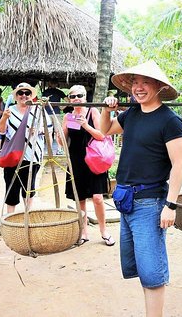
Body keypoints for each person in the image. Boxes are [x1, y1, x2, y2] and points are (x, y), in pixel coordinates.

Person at [100, 60, 182, 317]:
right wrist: (107, 110)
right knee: (139, 266)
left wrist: (170, 205)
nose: (138, 88)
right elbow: (105, 130)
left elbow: (179, 165)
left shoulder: (171, 121)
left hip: (150, 203)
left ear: (159, 86)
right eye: (135, 82)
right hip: (126, 199)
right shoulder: (132, 114)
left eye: (145, 82)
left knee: (151, 271)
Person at [60, 85, 114, 246]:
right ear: (69, 99)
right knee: (80, 198)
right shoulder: (68, 116)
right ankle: (84, 231)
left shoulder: (93, 112)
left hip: (94, 159)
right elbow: (64, 142)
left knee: (97, 198)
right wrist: (59, 135)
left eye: (80, 95)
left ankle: (104, 230)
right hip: (76, 160)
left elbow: (101, 135)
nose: (76, 98)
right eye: (73, 96)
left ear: (85, 97)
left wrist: (85, 125)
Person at [0, 82, 53, 213]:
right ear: (16, 96)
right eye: (20, 93)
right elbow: (0, 131)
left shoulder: (39, 110)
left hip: (32, 154)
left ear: (31, 95)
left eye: (27, 93)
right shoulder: (9, 110)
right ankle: (10, 217)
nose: (24, 96)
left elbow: (48, 130)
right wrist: (4, 117)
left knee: (29, 187)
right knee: (11, 186)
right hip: (13, 155)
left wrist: (38, 130)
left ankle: (27, 215)